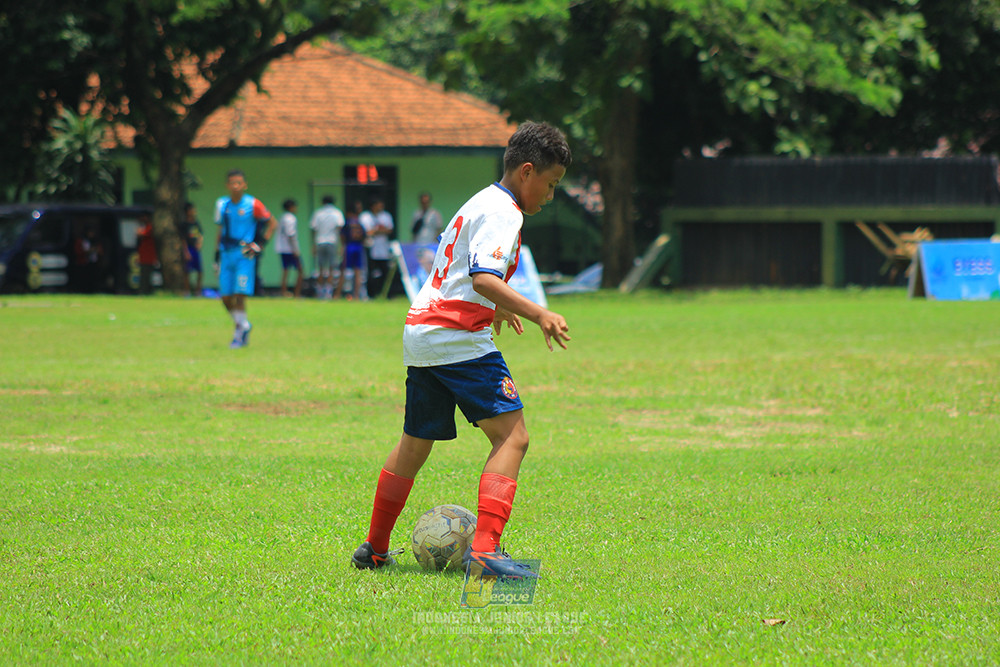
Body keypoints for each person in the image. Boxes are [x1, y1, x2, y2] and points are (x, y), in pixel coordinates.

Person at [351, 121, 572, 578]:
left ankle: (373, 547)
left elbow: (458, 273)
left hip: (423, 330)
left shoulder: (480, 200)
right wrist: (538, 313)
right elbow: (482, 278)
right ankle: (487, 553)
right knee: (513, 436)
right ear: (527, 172)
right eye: (550, 185)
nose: (550, 197)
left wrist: (492, 310)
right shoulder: (505, 212)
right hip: (456, 337)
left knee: (415, 441)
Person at [214, 169, 277, 348]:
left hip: (244, 255)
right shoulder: (222, 205)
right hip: (226, 254)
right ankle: (244, 325)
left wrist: (260, 244)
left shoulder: (253, 204)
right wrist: (215, 255)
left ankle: (238, 335)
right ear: (227, 185)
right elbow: (220, 231)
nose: (235, 186)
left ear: (245, 185)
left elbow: (272, 223)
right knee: (226, 298)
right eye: (232, 183)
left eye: (239, 183)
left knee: (239, 294)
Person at [309, 195, 344, 299]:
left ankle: (320, 292)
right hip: (332, 242)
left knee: (320, 268)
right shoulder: (337, 213)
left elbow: (314, 229)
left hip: (320, 242)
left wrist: (313, 244)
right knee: (331, 268)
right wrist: (340, 245)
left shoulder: (318, 213)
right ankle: (328, 292)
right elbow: (340, 228)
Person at [335, 200, 367, 300]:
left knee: (343, 270)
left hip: (349, 246)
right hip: (358, 247)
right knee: (357, 272)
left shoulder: (348, 222)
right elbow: (364, 236)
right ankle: (356, 295)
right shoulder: (359, 222)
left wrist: (342, 246)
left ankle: (337, 294)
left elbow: (342, 235)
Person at [366, 198, 394, 298]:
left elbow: (389, 230)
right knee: (371, 273)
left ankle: (386, 294)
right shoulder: (366, 216)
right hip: (371, 249)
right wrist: (379, 230)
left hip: (383, 250)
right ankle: (372, 294)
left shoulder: (386, 216)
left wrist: (377, 231)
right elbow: (368, 232)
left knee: (385, 273)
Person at [276, 198, 304, 298]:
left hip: (282, 248)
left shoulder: (282, 217)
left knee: (285, 270)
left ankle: (284, 292)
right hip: (290, 249)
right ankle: (296, 293)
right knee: (300, 270)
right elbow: (290, 234)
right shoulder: (291, 218)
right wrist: (295, 249)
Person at [182, 202, 204, 297]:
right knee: (187, 271)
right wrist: (186, 251)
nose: (194, 212)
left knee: (200, 271)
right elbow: (183, 239)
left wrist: (200, 243)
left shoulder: (196, 222)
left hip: (196, 250)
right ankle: (187, 292)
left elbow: (200, 234)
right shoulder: (185, 224)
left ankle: (197, 291)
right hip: (189, 249)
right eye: (192, 210)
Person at [136, 214, 158, 295]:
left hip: (149, 257)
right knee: (143, 276)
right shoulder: (145, 227)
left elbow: (142, 234)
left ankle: (147, 292)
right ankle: (143, 291)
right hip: (143, 257)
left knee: (147, 276)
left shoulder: (150, 227)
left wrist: (139, 232)